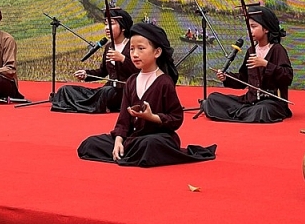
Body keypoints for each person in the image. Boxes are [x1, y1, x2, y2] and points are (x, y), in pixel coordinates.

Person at [77, 22, 216, 167]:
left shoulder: (164, 82)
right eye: (131, 49)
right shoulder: (131, 81)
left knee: (149, 146)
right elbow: (123, 120)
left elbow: (176, 118)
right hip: (133, 138)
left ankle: (129, 153)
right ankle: (125, 152)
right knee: (89, 144)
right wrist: (118, 140)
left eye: (141, 49)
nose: (135, 54)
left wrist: (153, 117)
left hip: (157, 137)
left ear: (157, 52)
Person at [199, 5, 293, 123]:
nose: (250, 31)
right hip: (250, 100)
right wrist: (226, 77)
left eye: (253, 27)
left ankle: (242, 113)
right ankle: (244, 113)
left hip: (271, 102)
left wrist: (265, 64)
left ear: (266, 29)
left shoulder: (277, 49)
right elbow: (244, 78)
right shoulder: (251, 51)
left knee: (262, 110)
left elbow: (287, 76)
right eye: (249, 27)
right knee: (213, 98)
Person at [51, 8, 139, 113]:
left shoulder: (132, 46)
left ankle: (94, 105)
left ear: (123, 27)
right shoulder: (109, 47)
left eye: (111, 24)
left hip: (125, 91)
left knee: (106, 92)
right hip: (108, 89)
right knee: (65, 90)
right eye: (105, 24)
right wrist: (86, 74)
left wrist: (123, 59)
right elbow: (102, 72)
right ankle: (94, 105)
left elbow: (140, 71)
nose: (107, 28)